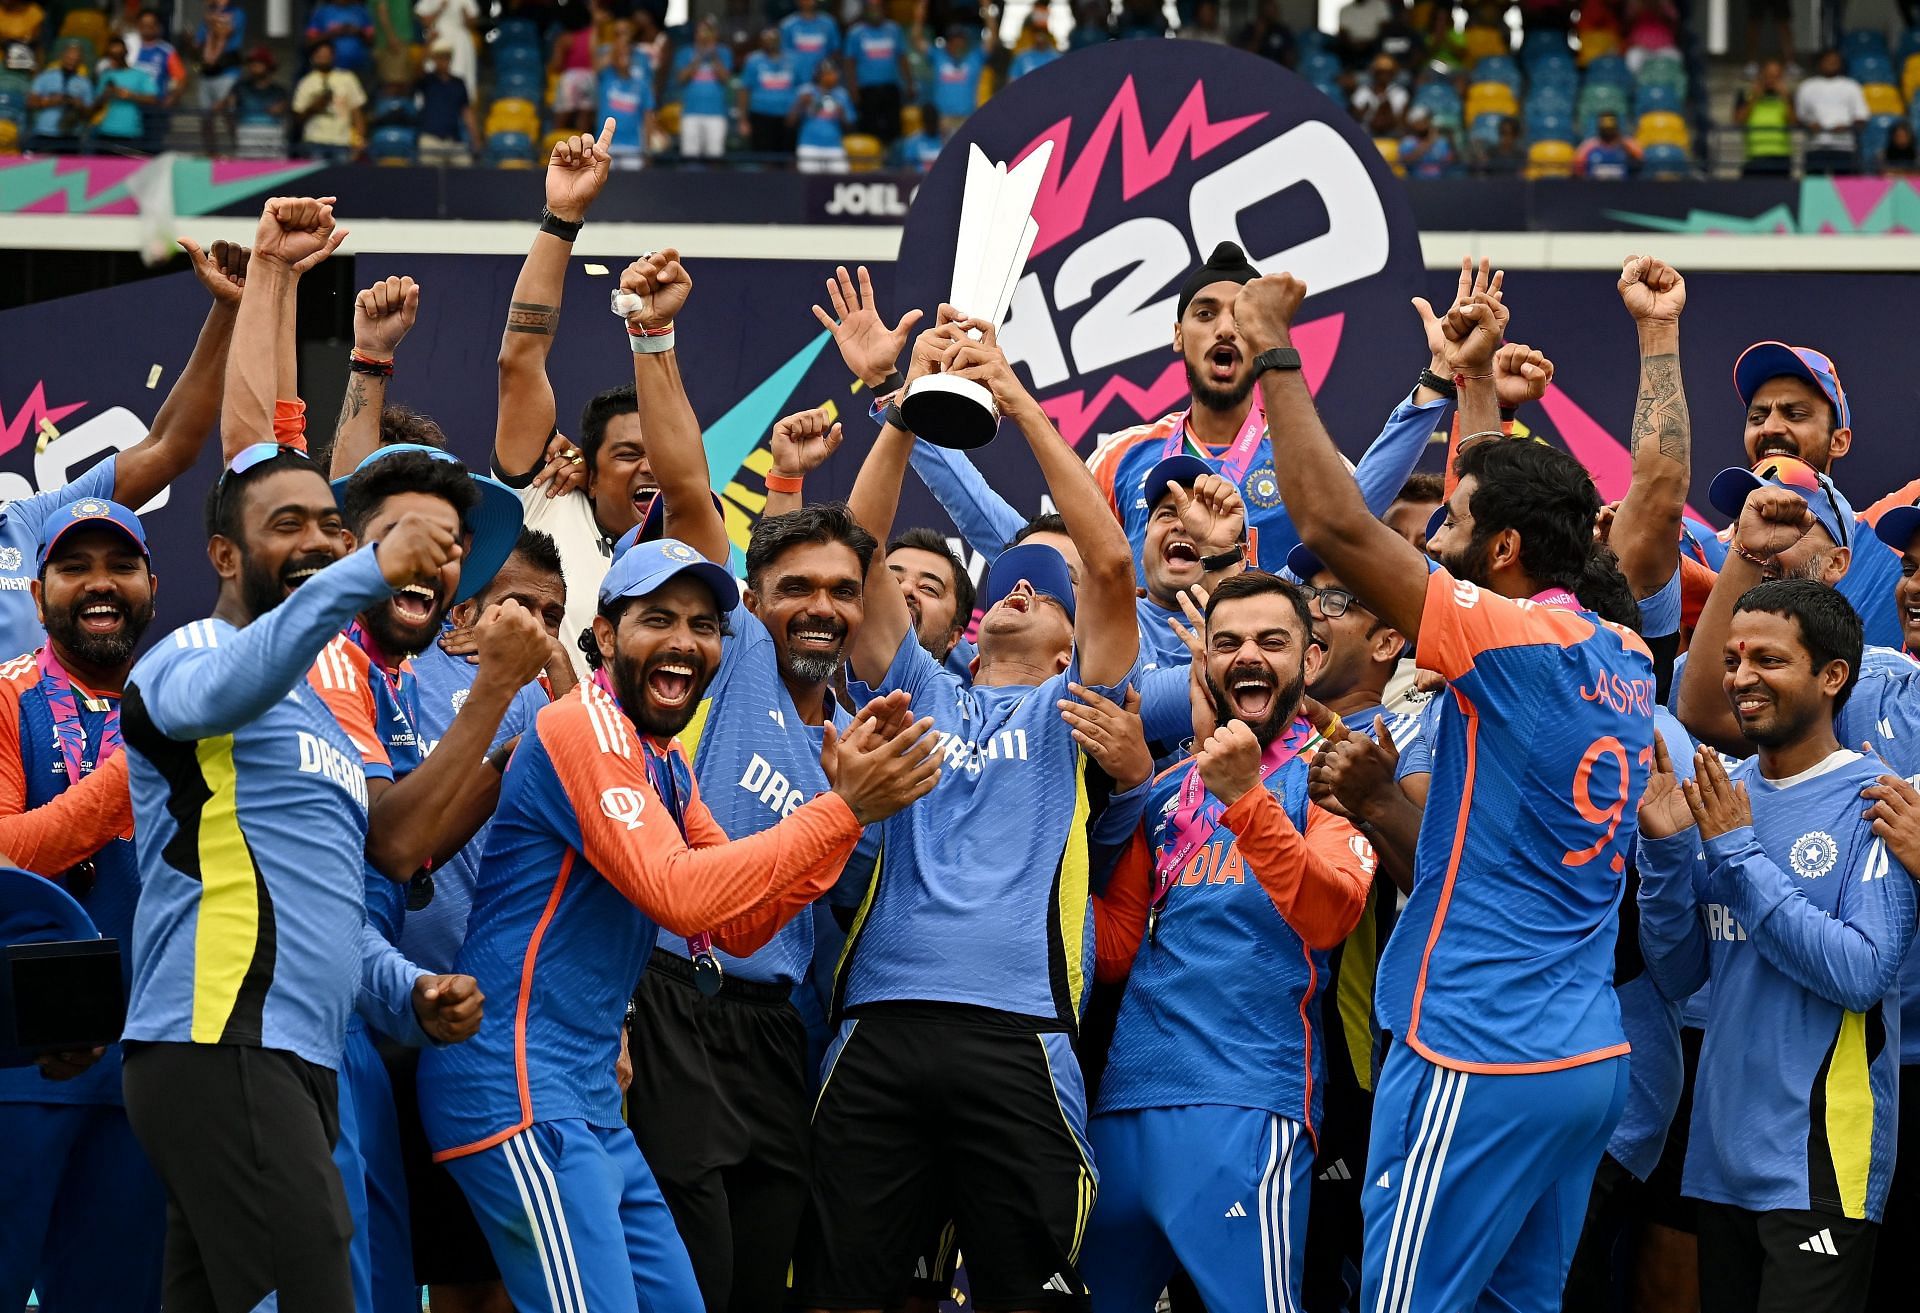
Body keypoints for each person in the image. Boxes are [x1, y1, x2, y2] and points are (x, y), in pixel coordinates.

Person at [1233, 266, 1653, 1310]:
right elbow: (1498, 518)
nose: (1430, 541)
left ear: (1501, 553)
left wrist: (1275, 348)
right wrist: (1474, 389)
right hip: (1584, 1057)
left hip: (1475, 1047)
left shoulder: (1511, 638)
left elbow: (1329, 524)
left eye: (1450, 526)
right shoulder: (1621, 649)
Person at [417, 536, 939, 1313]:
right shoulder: (581, 726)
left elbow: (739, 924)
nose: (685, 642)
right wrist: (843, 808)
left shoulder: (663, 759)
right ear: (603, 635)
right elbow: (680, 894)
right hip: (517, 1091)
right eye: (658, 618)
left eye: (703, 625)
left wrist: (837, 821)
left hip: (587, 1097)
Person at [789, 309, 1141, 1312]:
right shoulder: (919, 687)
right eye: (1012, 586)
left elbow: (1113, 565)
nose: (1026, 593)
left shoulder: (1076, 710)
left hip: (1019, 1036)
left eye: (1051, 589)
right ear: (978, 618)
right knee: (847, 1292)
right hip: (877, 1030)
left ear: (1079, 643)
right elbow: (855, 559)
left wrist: (1015, 396)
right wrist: (901, 410)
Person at [617, 254, 895, 1308]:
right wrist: (655, 340)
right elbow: (690, 487)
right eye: (793, 591)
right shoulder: (731, 665)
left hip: (782, 1031)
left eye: (840, 592)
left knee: (759, 1282)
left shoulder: (866, 741)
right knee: (689, 1280)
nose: (820, 607)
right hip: (678, 1004)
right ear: (752, 603)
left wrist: (893, 417)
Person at [1081, 570, 1377, 1312]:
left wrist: (1247, 798)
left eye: (1272, 641)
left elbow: (1331, 910)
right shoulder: (1166, 790)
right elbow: (1114, 946)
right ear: (1205, 664)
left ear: (1310, 661)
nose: (1248, 655)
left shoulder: (1333, 775)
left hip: (1249, 1106)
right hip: (1124, 1107)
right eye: (1229, 642)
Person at [1638, 580, 1914, 1312]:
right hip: (1720, 1158)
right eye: (1732, 658)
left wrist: (1737, 854)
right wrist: (1665, 861)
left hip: (1819, 1163)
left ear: (1831, 676)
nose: (1739, 678)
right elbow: (1678, 974)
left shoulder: (1878, 800)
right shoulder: (1723, 790)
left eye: (1768, 658)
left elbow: (1861, 972)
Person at [387, 526, 565, 1313]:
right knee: (366, 1261)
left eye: (552, 614)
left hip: (487, 1032)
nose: (533, 624)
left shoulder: (540, 701)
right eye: (517, 604)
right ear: (464, 605)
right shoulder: (378, 669)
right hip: (369, 1015)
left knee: (481, 1278)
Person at [0, 501, 164, 1312]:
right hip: (24, 1066)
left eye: (120, 565)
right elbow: (2, 855)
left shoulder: (185, 703)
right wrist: (133, 770)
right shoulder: (8, 698)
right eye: (75, 567)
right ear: (38, 596)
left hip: (150, 1065)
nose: (100, 583)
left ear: (152, 588)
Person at [1085, 242, 1451, 580]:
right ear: (1179, 334)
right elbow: (1075, 566)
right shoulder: (1118, 457)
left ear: (1263, 336)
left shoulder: (1305, 462)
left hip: (1255, 648)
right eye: (1206, 313)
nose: (1226, 329)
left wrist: (1439, 378)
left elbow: (1356, 516)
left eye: (1243, 317)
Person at [474, 122, 659, 676]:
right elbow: (520, 360)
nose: (651, 465)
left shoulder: (696, 548)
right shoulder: (543, 499)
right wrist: (563, 219)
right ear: (589, 471)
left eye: (660, 454)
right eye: (627, 454)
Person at [292, 39, 367, 163]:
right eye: (320, 55)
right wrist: (315, 107)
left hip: (342, 141)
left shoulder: (347, 78)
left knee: (341, 180)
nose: (323, 58)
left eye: (327, 55)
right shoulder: (306, 82)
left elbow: (357, 112)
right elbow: (298, 116)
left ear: (333, 56)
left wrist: (360, 140)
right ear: (313, 57)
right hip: (314, 141)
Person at [844, 0, 909, 141]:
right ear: (865, 11)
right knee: (869, 129)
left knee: (894, 129)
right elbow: (849, 64)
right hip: (867, 90)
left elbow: (902, 58)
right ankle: (871, 161)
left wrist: (909, 83)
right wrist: (853, 90)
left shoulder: (894, 29)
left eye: (878, 8)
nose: (875, 12)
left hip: (890, 87)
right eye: (871, 8)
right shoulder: (855, 33)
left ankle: (893, 160)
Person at [1795, 48, 1868, 175]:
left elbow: (1861, 118)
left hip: (1844, 147)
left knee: (1845, 190)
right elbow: (1799, 118)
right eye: (1828, 61)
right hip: (1815, 147)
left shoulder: (1851, 86)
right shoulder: (1806, 86)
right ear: (1820, 63)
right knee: (1815, 189)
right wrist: (1810, 125)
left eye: (1835, 61)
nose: (1831, 64)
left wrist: (1846, 127)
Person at [673, 17, 734, 159]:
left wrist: (713, 54)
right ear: (696, 33)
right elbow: (681, 78)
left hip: (716, 113)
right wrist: (700, 54)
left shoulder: (724, 52)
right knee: (689, 156)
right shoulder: (685, 52)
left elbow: (725, 78)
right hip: (690, 112)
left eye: (709, 31)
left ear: (715, 34)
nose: (705, 35)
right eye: (702, 31)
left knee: (715, 156)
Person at [598, 27, 657, 169]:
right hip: (606, 145)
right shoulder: (606, 76)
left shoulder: (641, 84)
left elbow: (648, 117)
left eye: (627, 55)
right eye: (620, 55)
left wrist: (647, 149)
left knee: (633, 190)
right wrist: (620, 44)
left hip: (633, 147)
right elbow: (595, 66)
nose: (623, 58)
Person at [416, 42, 480, 165]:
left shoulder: (458, 83)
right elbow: (417, 69)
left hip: (453, 139)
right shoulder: (428, 81)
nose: (442, 61)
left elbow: (466, 111)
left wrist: (475, 138)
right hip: (430, 138)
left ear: (450, 59)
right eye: (439, 57)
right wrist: (428, 44)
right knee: (427, 174)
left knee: (466, 166)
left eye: (446, 57)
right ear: (433, 59)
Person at [25, 37, 90, 150]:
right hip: (45, 133)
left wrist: (79, 105)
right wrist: (51, 101)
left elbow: (89, 113)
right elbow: (31, 102)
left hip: (71, 135)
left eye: (76, 59)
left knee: (71, 168)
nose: (72, 61)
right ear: (62, 57)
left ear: (81, 61)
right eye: (69, 58)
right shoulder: (45, 77)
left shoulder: (85, 83)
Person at [740, 26, 798, 152]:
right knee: (763, 156)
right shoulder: (753, 60)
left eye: (773, 39)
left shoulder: (793, 60)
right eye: (766, 39)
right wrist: (743, 120)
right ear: (761, 42)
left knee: (786, 156)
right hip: (761, 115)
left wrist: (796, 112)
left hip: (787, 116)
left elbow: (802, 88)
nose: (770, 42)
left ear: (780, 40)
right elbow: (745, 90)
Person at [93, 36, 159, 147]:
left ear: (126, 52)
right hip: (105, 130)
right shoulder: (105, 75)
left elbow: (153, 99)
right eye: (113, 54)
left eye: (120, 54)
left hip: (130, 132)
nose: (116, 58)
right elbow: (96, 103)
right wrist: (106, 94)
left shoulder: (139, 75)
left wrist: (130, 96)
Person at [223, 44, 289, 155]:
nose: (253, 66)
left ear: (268, 66)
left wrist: (284, 107)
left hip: (273, 138)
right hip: (246, 136)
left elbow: (288, 115)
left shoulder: (280, 91)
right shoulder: (239, 88)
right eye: (251, 63)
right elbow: (229, 111)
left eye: (258, 63)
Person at [792, 61, 856, 173]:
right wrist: (800, 104)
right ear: (820, 75)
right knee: (809, 183)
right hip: (809, 145)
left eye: (835, 73)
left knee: (840, 181)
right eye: (829, 73)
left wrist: (842, 113)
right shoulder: (805, 91)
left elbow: (850, 124)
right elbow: (790, 122)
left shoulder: (841, 94)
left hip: (834, 145)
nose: (834, 76)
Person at [1733, 59, 1795, 176]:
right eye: (1768, 76)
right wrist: (1754, 97)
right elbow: (1739, 121)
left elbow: (1793, 123)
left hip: (1781, 158)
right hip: (1754, 156)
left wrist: (1785, 98)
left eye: (1776, 76)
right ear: (1761, 76)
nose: (1771, 80)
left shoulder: (1787, 97)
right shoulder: (1746, 94)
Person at [414, 0, 479, 97]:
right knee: (432, 73)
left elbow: (473, 23)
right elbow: (425, 22)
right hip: (437, 38)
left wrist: (465, 14)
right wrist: (440, 9)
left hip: (460, 42)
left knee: (460, 74)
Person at [928, 25, 984, 135]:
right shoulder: (938, 56)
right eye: (955, 41)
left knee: (967, 151)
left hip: (967, 118)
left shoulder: (974, 58)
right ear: (948, 43)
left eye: (961, 41)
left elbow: (992, 41)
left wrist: (988, 12)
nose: (958, 45)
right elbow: (917, 39)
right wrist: (919, 17)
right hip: (944, 118)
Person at [306, 0, 375, 76]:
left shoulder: (361, 12)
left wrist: (358, 32)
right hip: (330, 70)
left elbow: (372, 41)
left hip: (360, 68)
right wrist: (334, 33)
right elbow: (310, 41)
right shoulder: (322, 12)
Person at [779, 0, 839, 86]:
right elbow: (784, 54)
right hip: (796, 79)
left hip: (821, 80)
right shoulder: (787, 25)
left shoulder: (828, 23)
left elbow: (834, 51)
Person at [1576, 110, 1643, 179]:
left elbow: (1640, 160)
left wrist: (1624, 145)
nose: (1608, 133)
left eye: (1610, 129)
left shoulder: (1627, 143)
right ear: (1599, 128)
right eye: (1605, 129)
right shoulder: (1589, 145)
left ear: (1616, 128)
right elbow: (1578, 166)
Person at [1398, 105, 1456, 178]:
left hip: (1440, 182)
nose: (1424, 124)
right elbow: (1405, 162)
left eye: (1426, 120)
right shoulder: (1407, 142)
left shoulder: (1441, 142)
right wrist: (1429, 143)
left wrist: (1451, 141)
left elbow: (1450, 162)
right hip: (1415, 182)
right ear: (1413, 123)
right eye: (1420, 120)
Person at [1349, 52, 1408, 122]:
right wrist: (1367, 110)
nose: (1384, 76)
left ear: (1393, 74)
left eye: (1388, 72)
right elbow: (1355, 116)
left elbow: (1402, 120)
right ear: (1374, 73)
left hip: (1392, 131)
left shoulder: (1400, 92)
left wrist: (1386, 109)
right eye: (1380, 72)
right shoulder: (1363, 91)